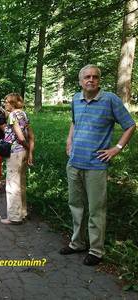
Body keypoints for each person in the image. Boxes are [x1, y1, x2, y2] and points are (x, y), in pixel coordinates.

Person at [59, 64, 136, 266]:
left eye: (94, 77)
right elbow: (74, 122)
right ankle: (77, 243)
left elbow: (130, 125)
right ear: (80, 80)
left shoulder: (110, 99)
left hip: (96, 165)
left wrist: (117, 148)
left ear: (99, 80)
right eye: (87, 77)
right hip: (74, 162)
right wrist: (69, 141)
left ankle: (96, 250)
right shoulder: (76, 99)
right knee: (76, 206)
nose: (90, 80)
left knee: (96, 209)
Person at [0, 93, 34, 225]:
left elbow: (21, 137)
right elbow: (31, 135)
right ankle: (23, 212)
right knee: (21, 183)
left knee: (12, 184)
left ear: (13, 103)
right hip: (24, 153)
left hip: (15, 152)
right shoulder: (24, 114)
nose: (5, 104)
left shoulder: (13, 115)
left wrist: (24, 145)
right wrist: (30, 152)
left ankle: (14, 217)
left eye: (7, 102)